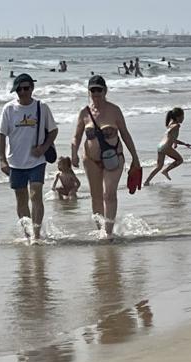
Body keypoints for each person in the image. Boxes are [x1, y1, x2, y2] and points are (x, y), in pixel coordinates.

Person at [71, 75, 140, 239]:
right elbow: (76, 136)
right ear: (88, 92)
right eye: (92, 90)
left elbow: (125, 134)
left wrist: (135, 159)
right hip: (91, 160)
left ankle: (108, 232)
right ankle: (101, 228)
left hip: (114, 157)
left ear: (105, 91)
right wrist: (73, 154)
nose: (95, 93)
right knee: (96, 196)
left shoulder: (114, 110)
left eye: (99, 90)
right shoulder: (84, 113)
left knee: (108, 194)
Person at [0, 73, 58, 242]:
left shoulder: (41, 107)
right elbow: (1, 135)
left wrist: (44, 147)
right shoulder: (8, 109)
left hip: (37, 161)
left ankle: (37, 235)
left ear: (32, 88)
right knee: (21, 198)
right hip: (15, 162)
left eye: (26, 88)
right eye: (19, 89)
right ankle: (28, 234)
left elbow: (53, 130)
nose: (22, 92)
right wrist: (2, 159)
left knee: (35, 194)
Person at [145, 107, 191, 186]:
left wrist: (175, 142)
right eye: (182, 116)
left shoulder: (170, 123)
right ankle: (166, 171)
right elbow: (171, 136)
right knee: (180, 160)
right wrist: (183, 143)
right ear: (178, 117)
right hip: (166, 147)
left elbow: (171, 137)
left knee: (159, 166)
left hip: (160, 146)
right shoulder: (176, 125)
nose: (183, 118)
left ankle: (146, 181)